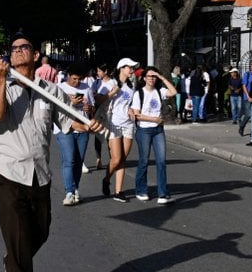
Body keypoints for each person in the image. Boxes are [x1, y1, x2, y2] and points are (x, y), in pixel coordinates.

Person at [0, 32, 102, 272]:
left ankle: (12, 263)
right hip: (7, 170)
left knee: (42, 230)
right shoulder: (2, 85)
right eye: (14, 48)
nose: (18, 51)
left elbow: (68, 121)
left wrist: (90, 124)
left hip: (39, 172)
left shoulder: (51, 90)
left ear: (36, 55)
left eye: (24, 47)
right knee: (19, 235)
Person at [129, 67, 178, 204]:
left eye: (154, 76)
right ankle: (141, 190)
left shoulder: (159, 91)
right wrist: (154, 119)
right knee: (144, 161)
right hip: (144, 130)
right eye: (149, 76)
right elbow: (136, 114)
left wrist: (162, 77)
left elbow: (173, 92)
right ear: (144, 78)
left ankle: (162, 193)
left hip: (158, 130)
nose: (152, 79)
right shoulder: (139, 93)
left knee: (161, 162)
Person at [96, 58, 136, 202]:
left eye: (132, 68)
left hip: (128, 124)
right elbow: (99, 100)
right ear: (121, 68)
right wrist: (114, 91)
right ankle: (106, 179)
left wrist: (131, 109)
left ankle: (118, 191)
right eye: (129, 67)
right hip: (114, 123)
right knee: (116, 158)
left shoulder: (132, 85)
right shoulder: (111, 83)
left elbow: (129, 103)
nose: (132, 70)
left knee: (123, 159)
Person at [55, 64, 94, 206]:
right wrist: (69, 102)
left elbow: (92, 109)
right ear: (68, 76)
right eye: (74, 79)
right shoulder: (59, 88)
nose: (76, 82)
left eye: (79, 79)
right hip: (65, 128)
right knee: (69, 160)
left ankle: (75, 188)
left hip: (83, 128)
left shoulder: (86, 88)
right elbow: (55, 109)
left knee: (78, 160)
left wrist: (88, 108)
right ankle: (69, 192)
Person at [228, 68, 243, 132]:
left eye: (233, 72)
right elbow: (229, 85)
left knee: (239, 107)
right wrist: (233, 89)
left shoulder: (239, 79)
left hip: (239, 95)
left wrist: (239, 90)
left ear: (236, 73)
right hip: (233, 95)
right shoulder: (230, 79)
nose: (232, 74)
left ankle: (239, 118)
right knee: (233, 108)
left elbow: (242, 86)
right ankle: (234, 119)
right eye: (231, 73)